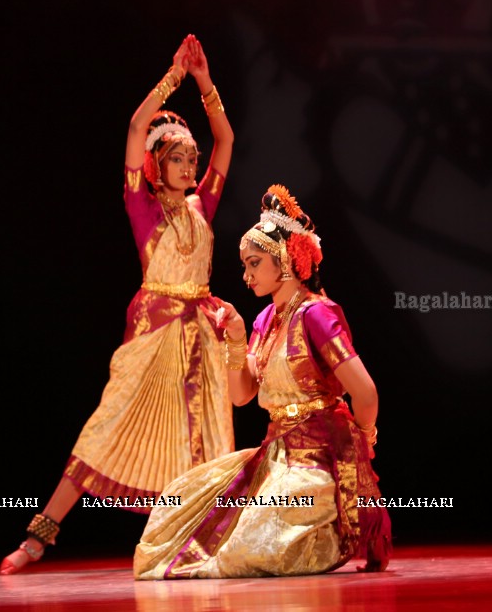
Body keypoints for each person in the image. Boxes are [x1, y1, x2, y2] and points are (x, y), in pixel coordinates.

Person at [1, 34, 236, 575]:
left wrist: (205, 83)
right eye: (176, 157)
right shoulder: (143, 207)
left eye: (191, 158)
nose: (187, 164)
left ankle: (197, 543)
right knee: (107, 426)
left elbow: (226, 141)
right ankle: (39, 535)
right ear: (156, 164)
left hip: (200, 336)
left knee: (203, 446)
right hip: (155, 333)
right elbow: (135, 127)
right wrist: (174, 78)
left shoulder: (204, 204)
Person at [134, 184, 391, 579]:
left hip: (318, 462)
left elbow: (365, 391)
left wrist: (364, 442)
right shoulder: (265, 321)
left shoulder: (317, 315)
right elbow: (241, 396)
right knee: (180, 500)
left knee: (254, 537)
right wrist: (235, 337)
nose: (246, 275)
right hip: (276, 455)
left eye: (254, 264)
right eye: (245, 265)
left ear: (284, 260)